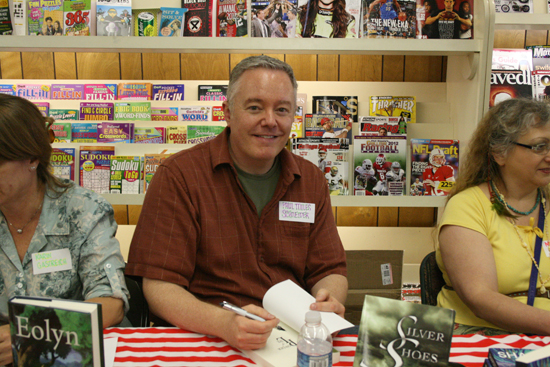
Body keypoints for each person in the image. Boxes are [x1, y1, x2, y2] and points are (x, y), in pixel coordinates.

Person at [125, 55, 348, 351]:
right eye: (255, 107)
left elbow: (330, 269)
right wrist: (224, 324)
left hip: (290, 341)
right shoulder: (179, 176)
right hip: (206, 339)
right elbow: (159, 287)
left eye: (282, 109)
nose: (270, 121)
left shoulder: (311, 180)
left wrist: (328, 300)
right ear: (227, 112)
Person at [0, 94, 129, 365]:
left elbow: (111, 304)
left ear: (32, 158)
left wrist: (28, 335)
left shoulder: (83, 209)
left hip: (66, 354)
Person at [437, 98, 550, 335]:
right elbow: (481, 299)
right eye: (539, 146)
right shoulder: (468, 206)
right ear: (500, 153)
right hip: (482, 338)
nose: (549, 155)